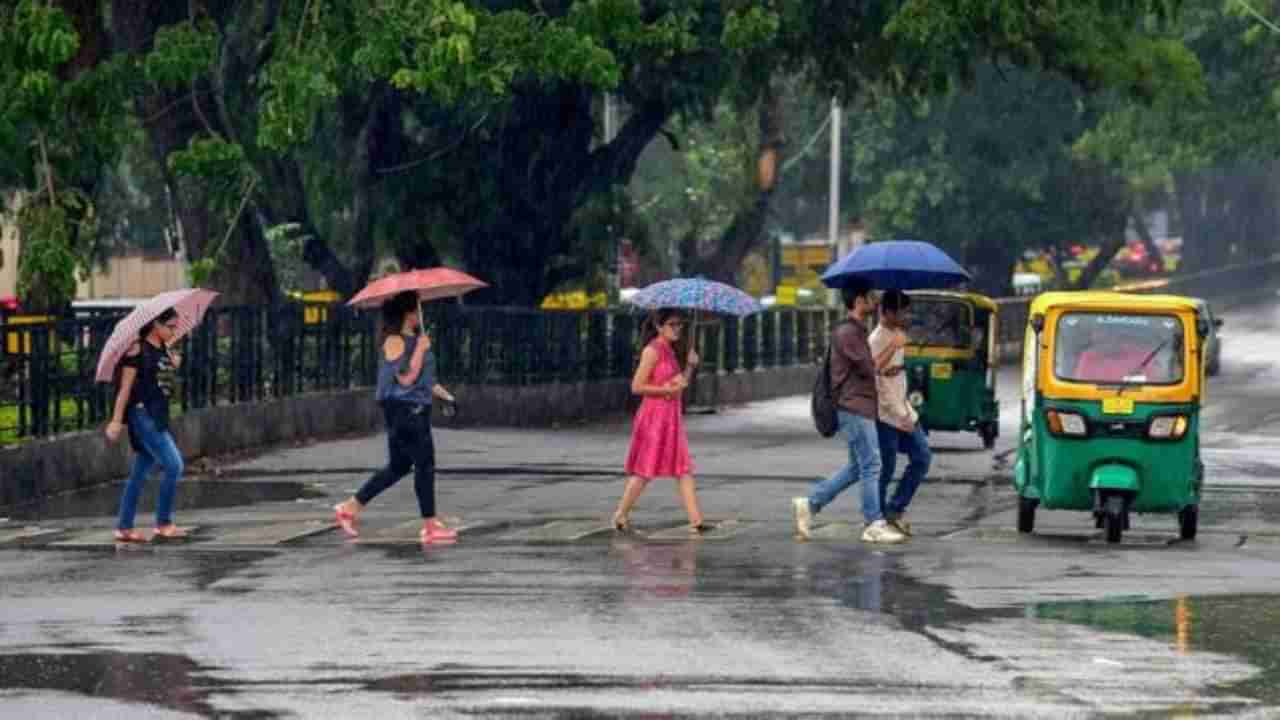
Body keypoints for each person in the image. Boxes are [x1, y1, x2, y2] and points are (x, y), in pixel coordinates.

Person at [332, 291, 460, 545]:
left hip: (417, 409)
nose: (418, 315)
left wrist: (447, 397)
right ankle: (430, 525)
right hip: (404, 411)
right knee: (425, 465)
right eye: (416, 309)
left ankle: (349, 507)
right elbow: (405, 378)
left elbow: (425, 381)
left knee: (399, 466)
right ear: (408, 312)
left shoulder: (416, 339)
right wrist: (421, 350)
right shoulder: (394, 341)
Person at [792, 281, 906, 544]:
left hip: (859, 406)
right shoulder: (848, 334)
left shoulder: (856, 331)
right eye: (870, 296)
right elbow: (870, 368)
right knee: (872, 464)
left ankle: (810, 504)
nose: (875, 300)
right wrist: (894, 345)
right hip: (854, 406)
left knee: (858, 467)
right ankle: (873, 523)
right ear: (858, 301)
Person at [611, 308, 707, 535]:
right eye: (673, 324)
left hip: (671, 418)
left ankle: (696, 520)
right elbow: (636, 387)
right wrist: (664, 389)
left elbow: (679, 385)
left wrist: (691, 367)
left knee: (683, 468)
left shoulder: (669, 351)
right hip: (654, 418)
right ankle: (620, 514)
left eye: (680, 325)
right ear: (659, 326)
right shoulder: (652, 351)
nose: (678, 329)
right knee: (645, 470)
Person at [105, 308, 188, 543]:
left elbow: (166, 386)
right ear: (155, 325)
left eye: (176, 326)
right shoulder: (136, 349)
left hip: (158, 415)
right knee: (174, 465)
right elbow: (125, 388)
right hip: (142, 415)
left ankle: (124, 527)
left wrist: (173, 364)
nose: (174, 331)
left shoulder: (166, 350)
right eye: (170, 326)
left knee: (140, 471)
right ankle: (163, 522)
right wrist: (116, 420)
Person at [868, 290, 931, 537]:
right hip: (885, 415)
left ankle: (895, 508)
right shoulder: (876, 339)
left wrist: (907, 412)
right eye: (902, 311)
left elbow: (897, 380)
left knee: (922, 456)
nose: (906, 315)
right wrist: (898, 414)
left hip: (902, 409)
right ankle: (878, 518)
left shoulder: (898, 335)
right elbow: (876, 380)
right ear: (887, 312)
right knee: (886, 468)